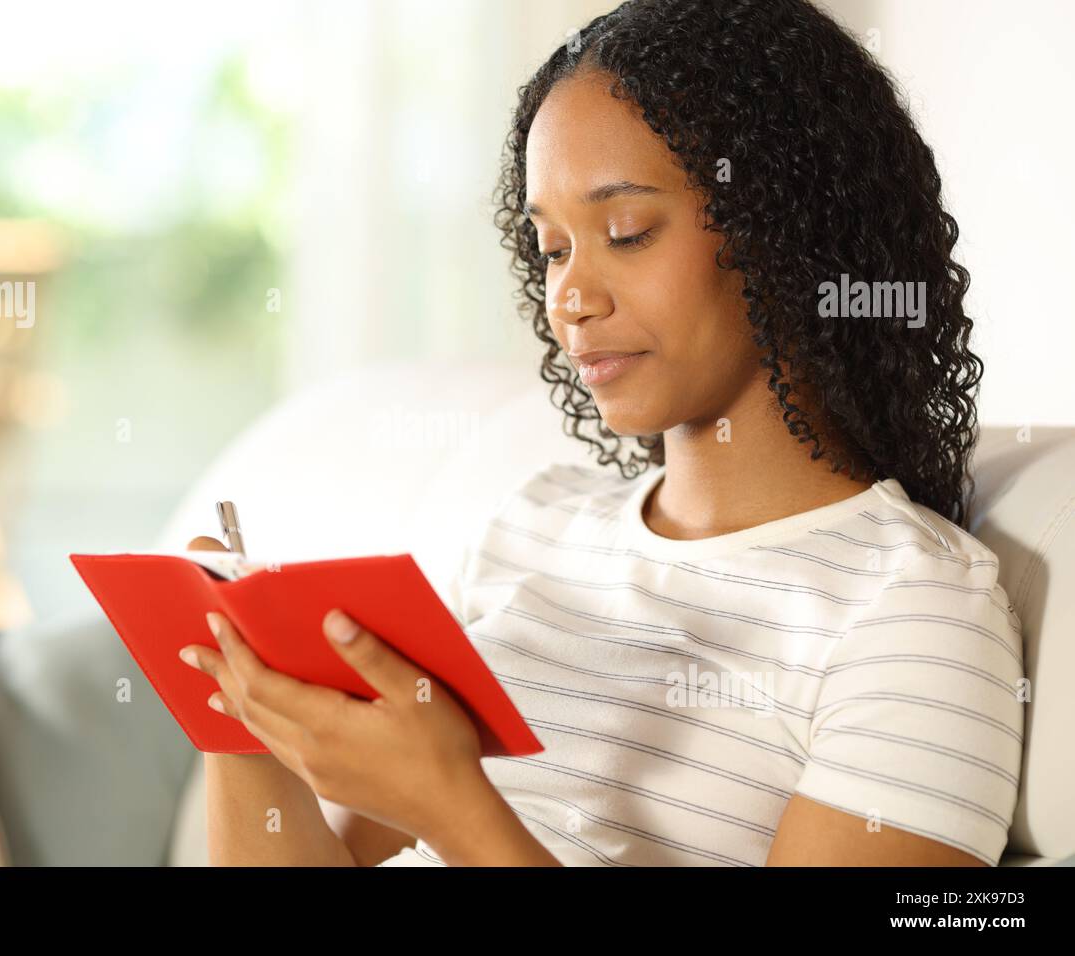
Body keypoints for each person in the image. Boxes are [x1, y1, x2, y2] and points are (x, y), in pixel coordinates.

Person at [177, 0, 1024, 866]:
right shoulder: (534, 527)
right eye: (551, 248)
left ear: (787, 228)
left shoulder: (911, 615)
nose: (571, 297)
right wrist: (233, 697)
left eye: (626, 232)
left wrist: (451, 802)